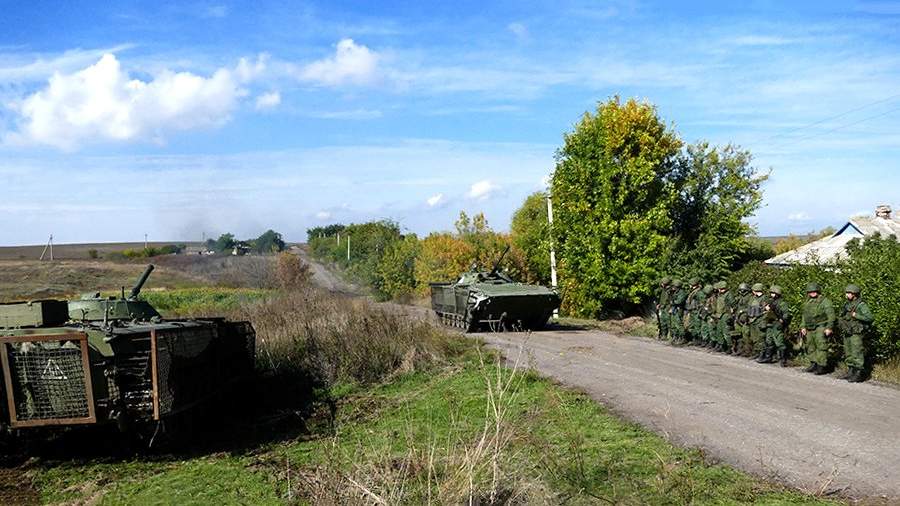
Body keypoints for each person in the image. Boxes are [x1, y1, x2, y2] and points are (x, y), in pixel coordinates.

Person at [837, 284, 874, 382]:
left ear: (855, 294)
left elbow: (870, 318)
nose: (847, 295)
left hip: (856, 333)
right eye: (847, 293)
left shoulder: (861, 305)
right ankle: (850, 371)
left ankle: (858, 374)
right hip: (847, 331)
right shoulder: (846, 304)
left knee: (857, 352)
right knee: (848, 352)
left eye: (849, 293)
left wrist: (856, 315)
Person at [800, 282, 835, 375]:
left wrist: (829, 327)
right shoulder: (808, 302)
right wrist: (802, 326)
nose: (812, 293)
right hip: (809, 327)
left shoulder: (825, 301)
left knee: (821, 346)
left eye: (814, 291)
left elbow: (831, 316)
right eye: (810, 291)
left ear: (818, 291)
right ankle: (813, 363)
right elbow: (804, 315)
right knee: (810, 346)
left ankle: (821, 366)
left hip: (821, 326)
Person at [759, 285, 791, 366]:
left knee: (779, 342)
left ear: (777, 293)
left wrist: (782, 321)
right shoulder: (771, 301)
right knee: (768, 340)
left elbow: (786, 314)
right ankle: (768, 357)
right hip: (770, 322)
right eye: (771, 293)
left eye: (773, 293)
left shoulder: (782, 303)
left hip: (777, 323)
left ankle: (783, 359)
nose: (771, 294)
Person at [712, 281, 735, 353]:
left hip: (725, 314)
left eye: (722, 289)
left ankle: (729, 347)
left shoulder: (729, 295)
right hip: (718, 314)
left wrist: (731, 314)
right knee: (719, 331)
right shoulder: (719, 295)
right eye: (720, 289)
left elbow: (733, 304)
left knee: (726, 332)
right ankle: (721, 345)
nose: (720, 290)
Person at [746, 283, 768, 358]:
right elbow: (749, 308)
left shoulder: (764, 298)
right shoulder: (752, 298)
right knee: (754, 338)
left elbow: (766, 311)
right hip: (752, 320)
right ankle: (756, 352)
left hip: (759, 320)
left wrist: (763, 321)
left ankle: (762, 354)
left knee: (760, 338)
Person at [684, 278, 703, 344]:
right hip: (692, 311)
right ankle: (694, 339)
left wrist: (699, 311)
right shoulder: (693, 292)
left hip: (696, 311)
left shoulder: (699, 292)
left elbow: (701, 303)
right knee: (691, 325)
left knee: (697, 326)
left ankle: (698, 340)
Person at [734, 283, 751, 355]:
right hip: (738, 318)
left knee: (746, 336)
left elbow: (751, 308)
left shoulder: (750, 297)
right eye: (740, 290)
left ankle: (747, 351)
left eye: (743, 290)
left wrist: (743, 311)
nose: (741, 292)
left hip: (745, 318)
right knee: (738, 335)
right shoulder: (739, 297)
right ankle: (740, 349)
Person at [669, 279, 687, 344]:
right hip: (674, 309)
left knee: (679, 323)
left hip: (679, 309)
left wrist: (673, 302)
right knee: (673, 323)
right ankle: (675, 336)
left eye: (674, 286)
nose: (673, 287)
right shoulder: (675, 292)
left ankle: (682, 337)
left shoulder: (682, 292)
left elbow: (679, 301)